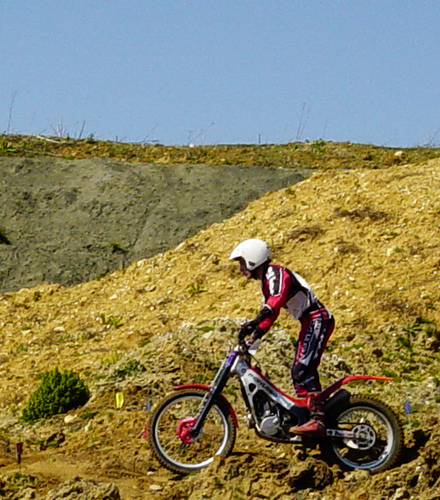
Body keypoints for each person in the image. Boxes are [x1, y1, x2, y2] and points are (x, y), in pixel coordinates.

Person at [229, 238, 335, 436]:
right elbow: (271, 314)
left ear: (253, 258)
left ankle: (317, 419)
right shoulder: (266, 282)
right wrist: (254, 335)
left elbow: (275, 302)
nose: (240, 269)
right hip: (308, 320)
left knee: (303, 368)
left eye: (242, 263)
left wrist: (255, 320)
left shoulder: (276, 273)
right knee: (298, 371)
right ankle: (306, 416)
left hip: (317, 318)